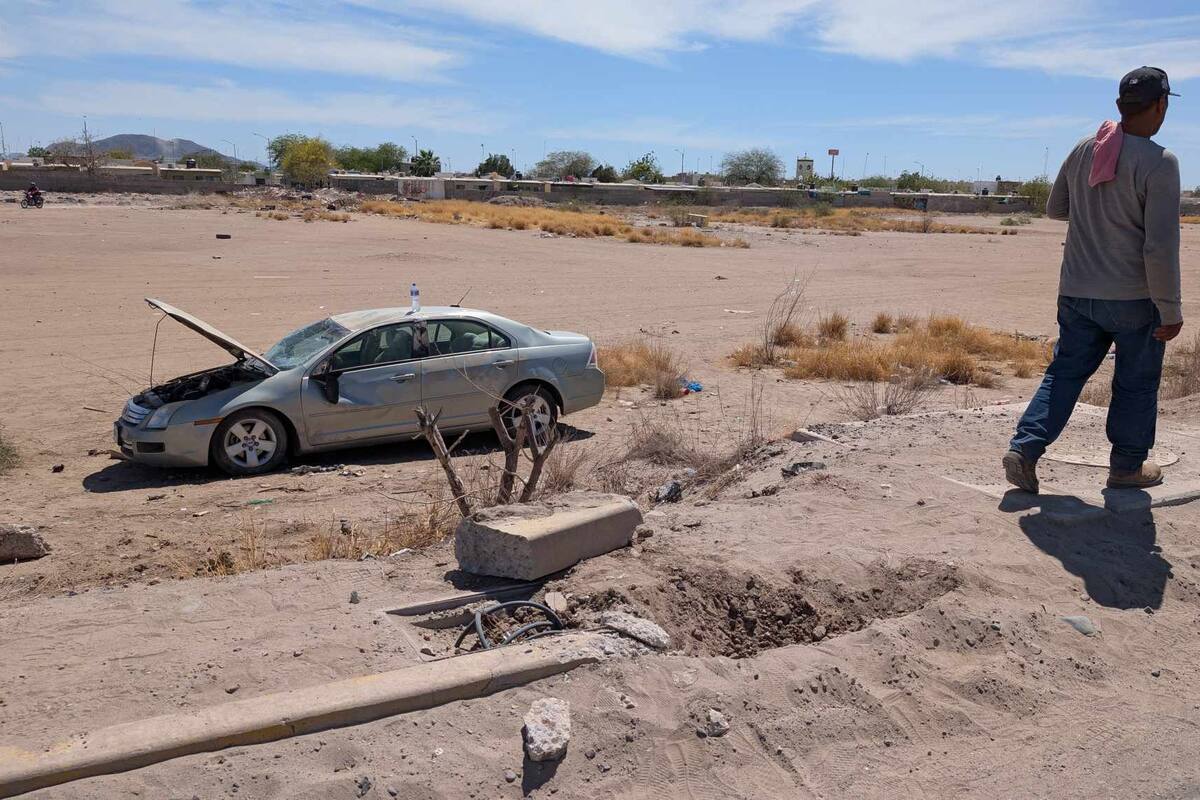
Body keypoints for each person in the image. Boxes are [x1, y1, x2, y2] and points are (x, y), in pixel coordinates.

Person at [1004, 66, 1184, 493]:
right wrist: (1171, 309)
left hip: (1077, 290)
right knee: (1136, 383)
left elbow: (1055, 208)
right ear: (1160, 105)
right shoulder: (1160, 163)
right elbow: (1159, 248)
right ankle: (1126, 468)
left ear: (1122, 104)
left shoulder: (1087, 148)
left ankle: (1025, 449)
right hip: (1134, 299)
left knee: (1064, 373)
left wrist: (1095, 216)